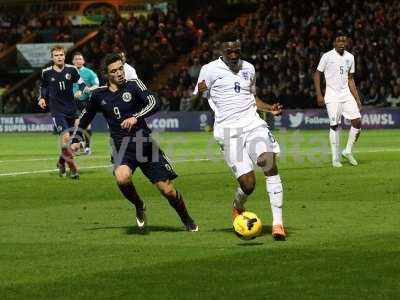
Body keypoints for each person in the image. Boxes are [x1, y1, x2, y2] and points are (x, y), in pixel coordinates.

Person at [71, 53, 198, 232]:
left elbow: (155, 102)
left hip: (144, 145)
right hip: (122, 147)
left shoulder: (134, 85)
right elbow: (85, 117)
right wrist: (76, 139)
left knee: (167, 191)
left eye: (120, 69)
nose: (119, 73)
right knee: (122, 178)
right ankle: (139, 205)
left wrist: (136, 117)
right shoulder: (99, 95)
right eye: (114, 71)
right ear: (107, 75)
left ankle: (187, 219)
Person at [192, 32, 286, 240]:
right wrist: (199, 92)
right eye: (229, 51)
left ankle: (278, 224)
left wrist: (270, 109)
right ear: (221, 51)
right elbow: (194, 99)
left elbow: (252, 98)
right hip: (228, 131)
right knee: (248, 184)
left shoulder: (249, 68)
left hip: (253, 124)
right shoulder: (208, 70)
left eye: (237, 51)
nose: (234, 55)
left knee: (268, 164)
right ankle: (237, 205)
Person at [38, 45, 89, 179]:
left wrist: (83, 89)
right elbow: (43, 86)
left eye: (61, 55)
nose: (59, 57)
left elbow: (81, 81)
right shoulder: (46, 72)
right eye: (56, 55)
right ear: (52, 57)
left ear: (64, 56)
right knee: (66, 138)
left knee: (76, 145)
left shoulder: (71, 70)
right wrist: (42, 98)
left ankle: (61, 161)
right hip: (57, 110)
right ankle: (73, 169)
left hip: (71, 109)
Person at [314, 33, 362, 167]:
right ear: (334, 43)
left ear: (347, 43)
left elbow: (350, 79)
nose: (341, 43)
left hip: (346, 94)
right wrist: (319, 94)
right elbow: (317, 74)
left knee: (357, 121)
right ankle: (335, 158)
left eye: (344, 41)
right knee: (335, 126)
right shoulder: (327, 56)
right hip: (332, 95)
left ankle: (347, 151)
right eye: (339, 41)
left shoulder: (350, 57)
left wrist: (357, 99)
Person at [72, 52, 99, 155]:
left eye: (80, 59)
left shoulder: (89, 73)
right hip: (72, 102)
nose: (78, 61)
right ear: (73, 61)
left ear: (83, 61)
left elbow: (97, 85)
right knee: (77, 124)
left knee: (85, 124)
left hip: (85, 101)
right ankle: (80, 144)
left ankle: (86, 146)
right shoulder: (69, 72)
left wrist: (89, 89)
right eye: (76, 59)